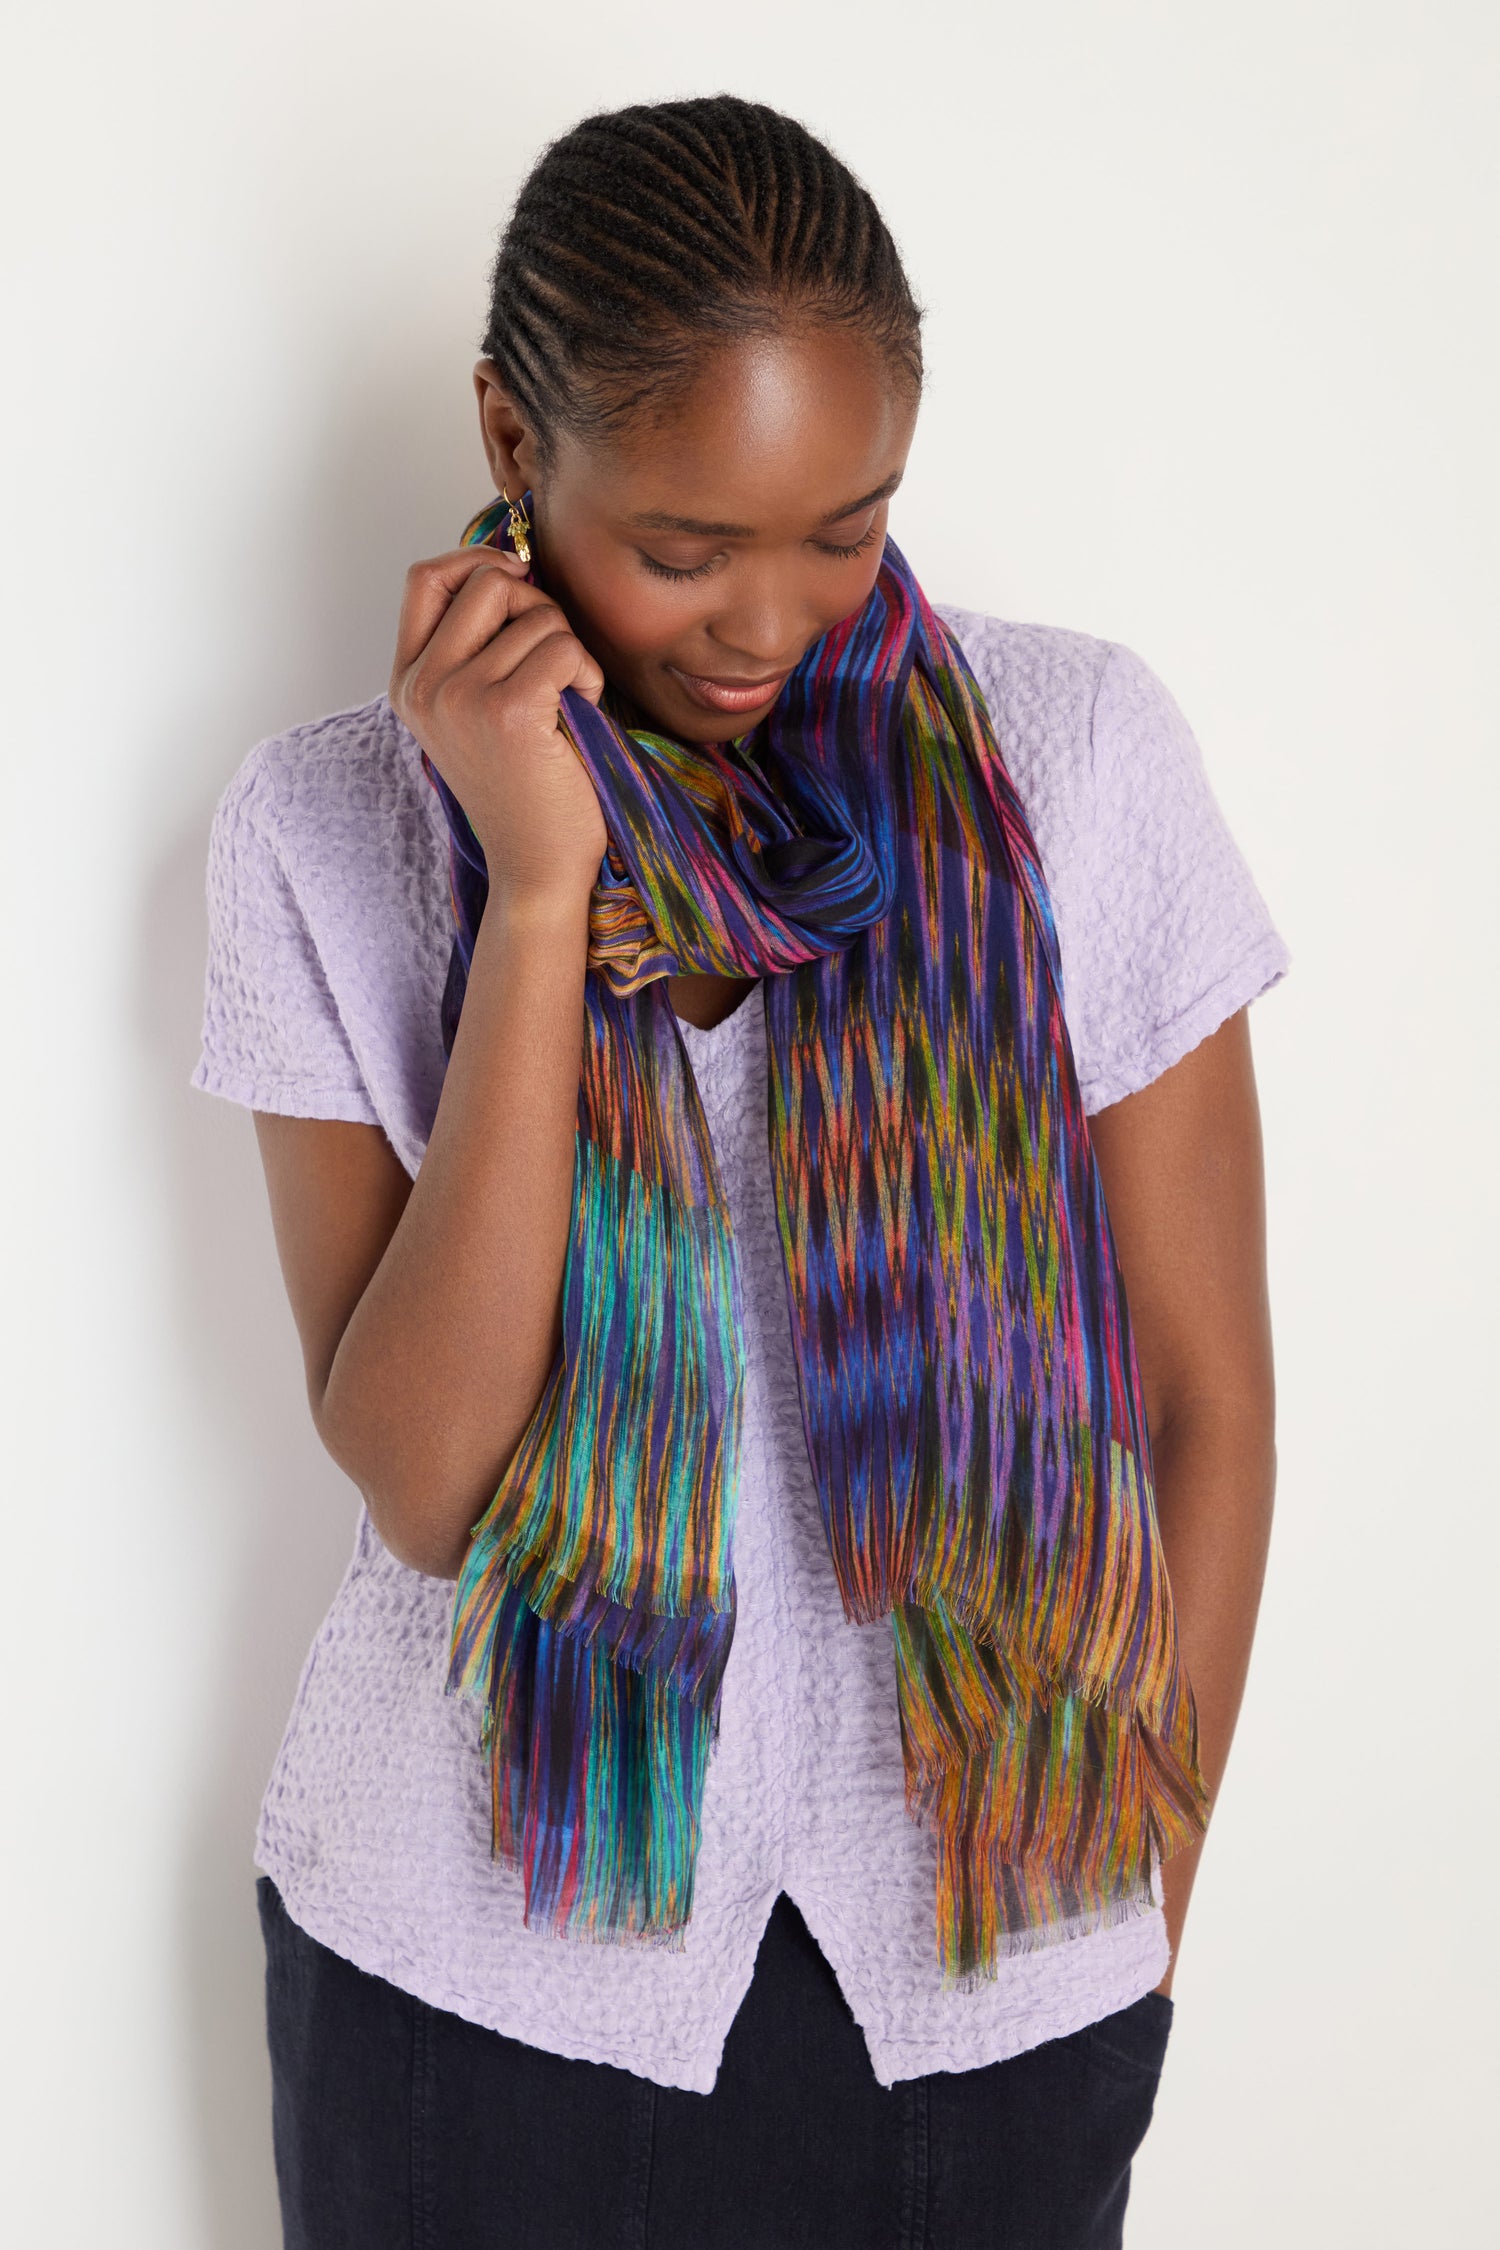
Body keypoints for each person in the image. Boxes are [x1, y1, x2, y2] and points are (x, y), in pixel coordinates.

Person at [192, 93, 1286, 2250]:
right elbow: (424, 1482)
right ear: (514, 439)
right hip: (472, 1979)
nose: (760, 621)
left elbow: (1205, 1406)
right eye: (683, 548)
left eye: (845, 530)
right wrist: (534, 897)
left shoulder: (1076, 763)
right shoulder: (323, 829)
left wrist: (1143, 1910)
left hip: (987, 1973)